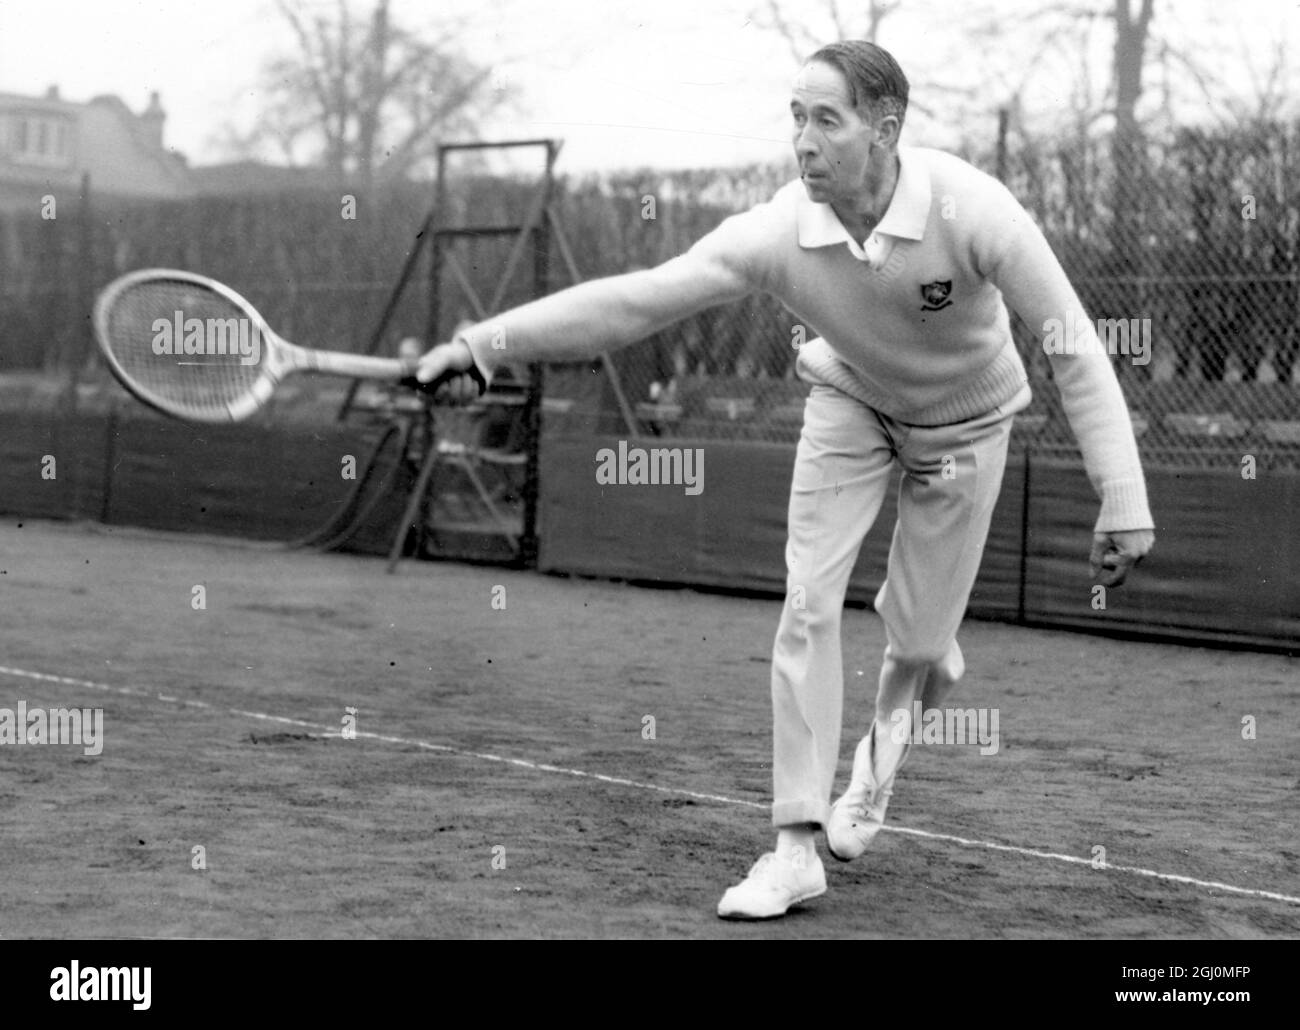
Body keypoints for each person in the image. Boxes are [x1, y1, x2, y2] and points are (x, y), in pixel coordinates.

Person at [417, 40, 1155, 920]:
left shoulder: (974, 209)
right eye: (795, 118)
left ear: (885, 130)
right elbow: (638, 299)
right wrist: (481, 345)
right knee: (809, 601)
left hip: (968, 424)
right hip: (849, 402)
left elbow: (1073, 344)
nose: (802, 141)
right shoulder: (778, 230)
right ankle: (795, 847)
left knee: (918, 649)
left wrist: (1123, 495)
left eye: (825, 120)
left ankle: (885, 754)